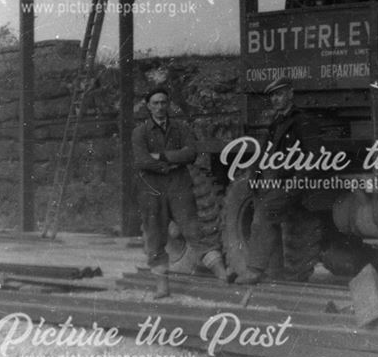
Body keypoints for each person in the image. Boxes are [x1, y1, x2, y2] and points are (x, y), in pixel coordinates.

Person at [132, 88, 228, 297]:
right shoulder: (140, 132)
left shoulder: (180, 128)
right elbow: (141, 160)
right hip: (152, 190)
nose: (159, 107)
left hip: (179, 187)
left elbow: (191, 153)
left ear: (168, 105)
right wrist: (170, 164)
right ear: (148, 106)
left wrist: (162, 157)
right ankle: (162, 286)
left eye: (163, 103)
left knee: (194, 230)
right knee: (155, 237)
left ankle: (222, 274)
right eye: (155, 103)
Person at [233, 77, 322, 285]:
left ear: (290, 94)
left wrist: (296, 182)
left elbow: (315, 156)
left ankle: (255, 270)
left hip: (286, 182)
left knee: (263, 218)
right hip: (269, 182)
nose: (276, 99)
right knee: (268, 220)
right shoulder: (277, 122)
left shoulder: (301, 121)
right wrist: (254, 177)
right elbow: (264, 153)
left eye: (280, 94)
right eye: (272, 95)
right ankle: (275, 274)